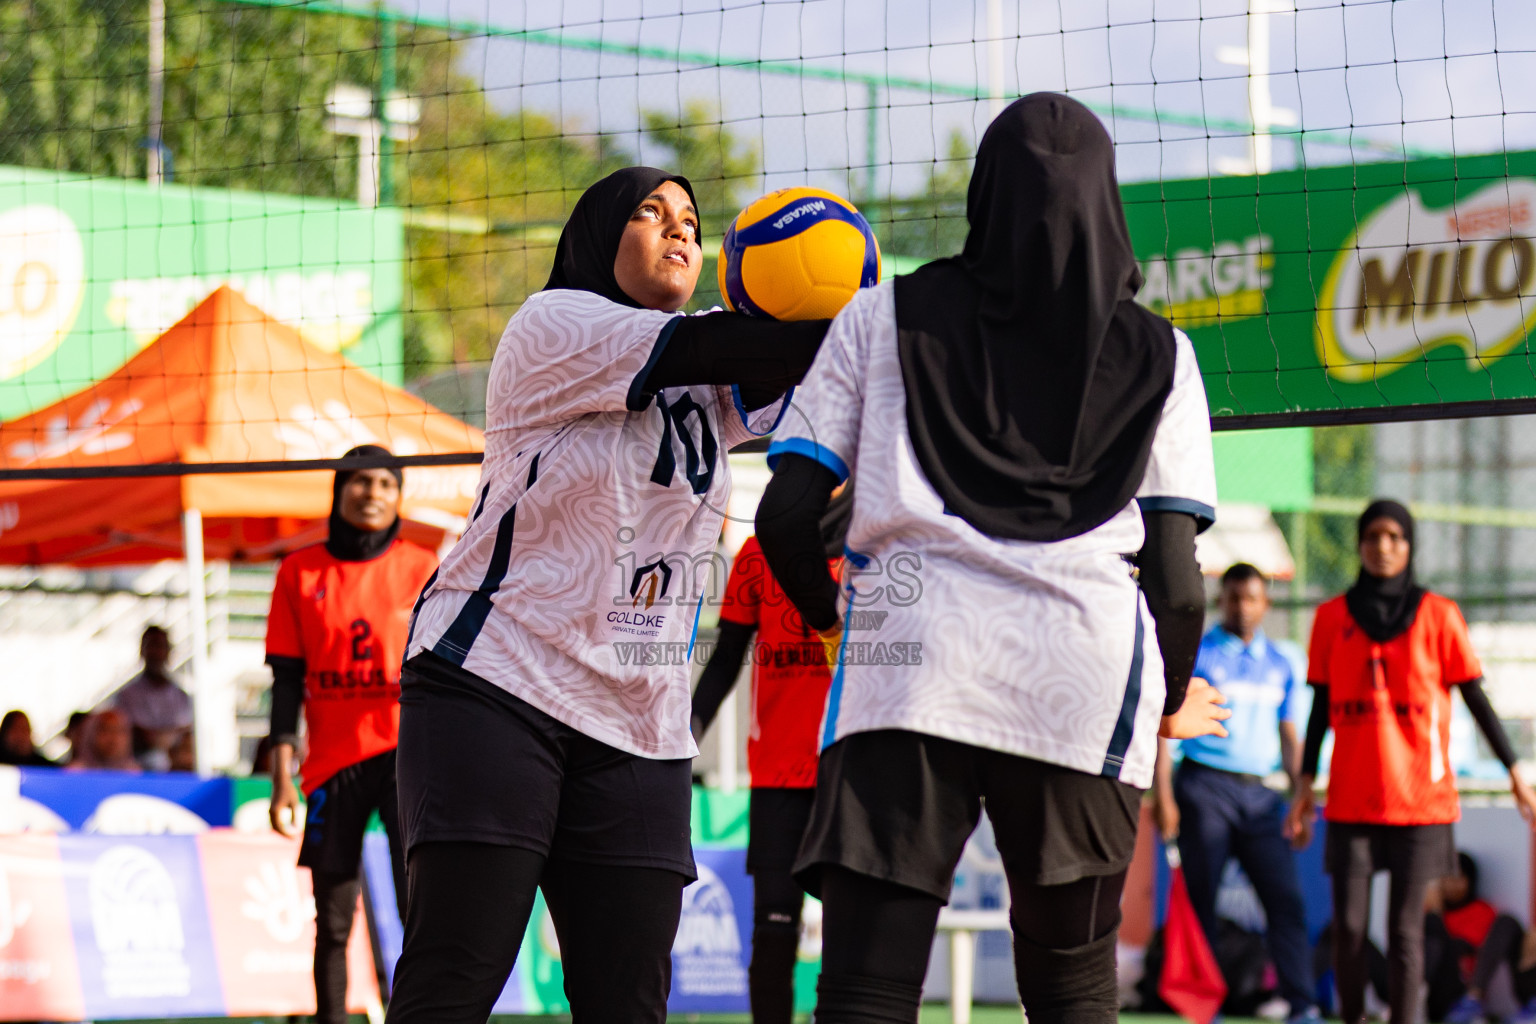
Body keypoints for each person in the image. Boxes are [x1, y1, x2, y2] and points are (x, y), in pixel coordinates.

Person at [753, 92, 1231, 1024]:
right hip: (1082, 674)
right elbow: (1179, 585)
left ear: (984, 193)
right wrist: (1169, 697)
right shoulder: (1165, 354)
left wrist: (835, 616)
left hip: (910, 665)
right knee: (1072, 987)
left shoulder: (881, 316)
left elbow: (786, 517)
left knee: (865, 991)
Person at [386, 167, 832, 1024]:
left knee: (629, 1001)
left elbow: (795, 364)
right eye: (650, 212)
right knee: (456, 976)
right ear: (600, 235)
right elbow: (734, 347)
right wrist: (871, 312)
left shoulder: (714, 379)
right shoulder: (555, 321)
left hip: (640, 717)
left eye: (691, 220)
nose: (679, 228)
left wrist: (863, 305)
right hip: (498, 678)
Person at [1286, 499, 1536, 1024]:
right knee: (1350, 929)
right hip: (1351, 799)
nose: (1383, 547)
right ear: (1359, 544)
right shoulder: (1330, 618)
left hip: (1420, 801)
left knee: (1406, 930)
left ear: (1410, 546)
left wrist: (1516, 773)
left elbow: (1476, 699)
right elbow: (1318, 710)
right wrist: (1304, 785)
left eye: (1395, 537)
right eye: (1373, 536)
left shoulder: (1439, 615)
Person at [264, 445, 437, 1024]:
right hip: (331, 765)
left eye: (387, 483)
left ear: (399, 496)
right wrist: (281, 778)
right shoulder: (299, 571)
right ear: (339, 490)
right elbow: (285, 682)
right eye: (361, 481)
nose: (373, 493)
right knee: (333, 921)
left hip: (406, 758)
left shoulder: (422, 566)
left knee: (419, 912)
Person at [691, 485, 851, 1024]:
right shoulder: (757, 552)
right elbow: (725, 658)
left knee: (851, 942)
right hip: (778, 774)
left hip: (850, 774)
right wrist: (684, 736)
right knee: (774, 937)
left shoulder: (868, 546)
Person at [1153, 563, 1320, 1024]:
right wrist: (1164, 796)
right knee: (1202, 901)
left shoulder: (1282, 663)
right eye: (1232, 598)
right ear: (1219, 601)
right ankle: (1205, 1007)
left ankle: (1302, 1005)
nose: (1241, 607)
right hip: (1205, 788)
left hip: (1261, 796)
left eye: (1250, 598)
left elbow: (1290, 736)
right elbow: (1166, 731)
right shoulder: (1199, 654)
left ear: (1266, 604)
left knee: (1285, 901)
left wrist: (1300, 794)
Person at [1433, 852, 1536, 1024]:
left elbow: (1474, 949)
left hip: (1467, 980)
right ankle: (1470, 1002)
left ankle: (1472, 1001)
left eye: (1458, 878)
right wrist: (1434, 911)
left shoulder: (1482, 911)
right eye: (1446, 879)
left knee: (1512, 925)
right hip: (1443, 989)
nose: (1451, 885)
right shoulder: (1434, 915)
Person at [114, 625, 194, 771]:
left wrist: (160, 738)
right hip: (138, 769)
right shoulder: (127, 695)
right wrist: (166, 736)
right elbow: (135, 735)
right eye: (151, 646)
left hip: (176, 771)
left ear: (168, 651)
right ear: (142, 651)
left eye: (160, 646)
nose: (155, 652)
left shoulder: (182, 696)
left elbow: (186, 733)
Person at [65, 709, 140, 772]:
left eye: (119, 731)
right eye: (106, 730)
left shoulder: (134, 774)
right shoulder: (75, 772)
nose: (113, 738)